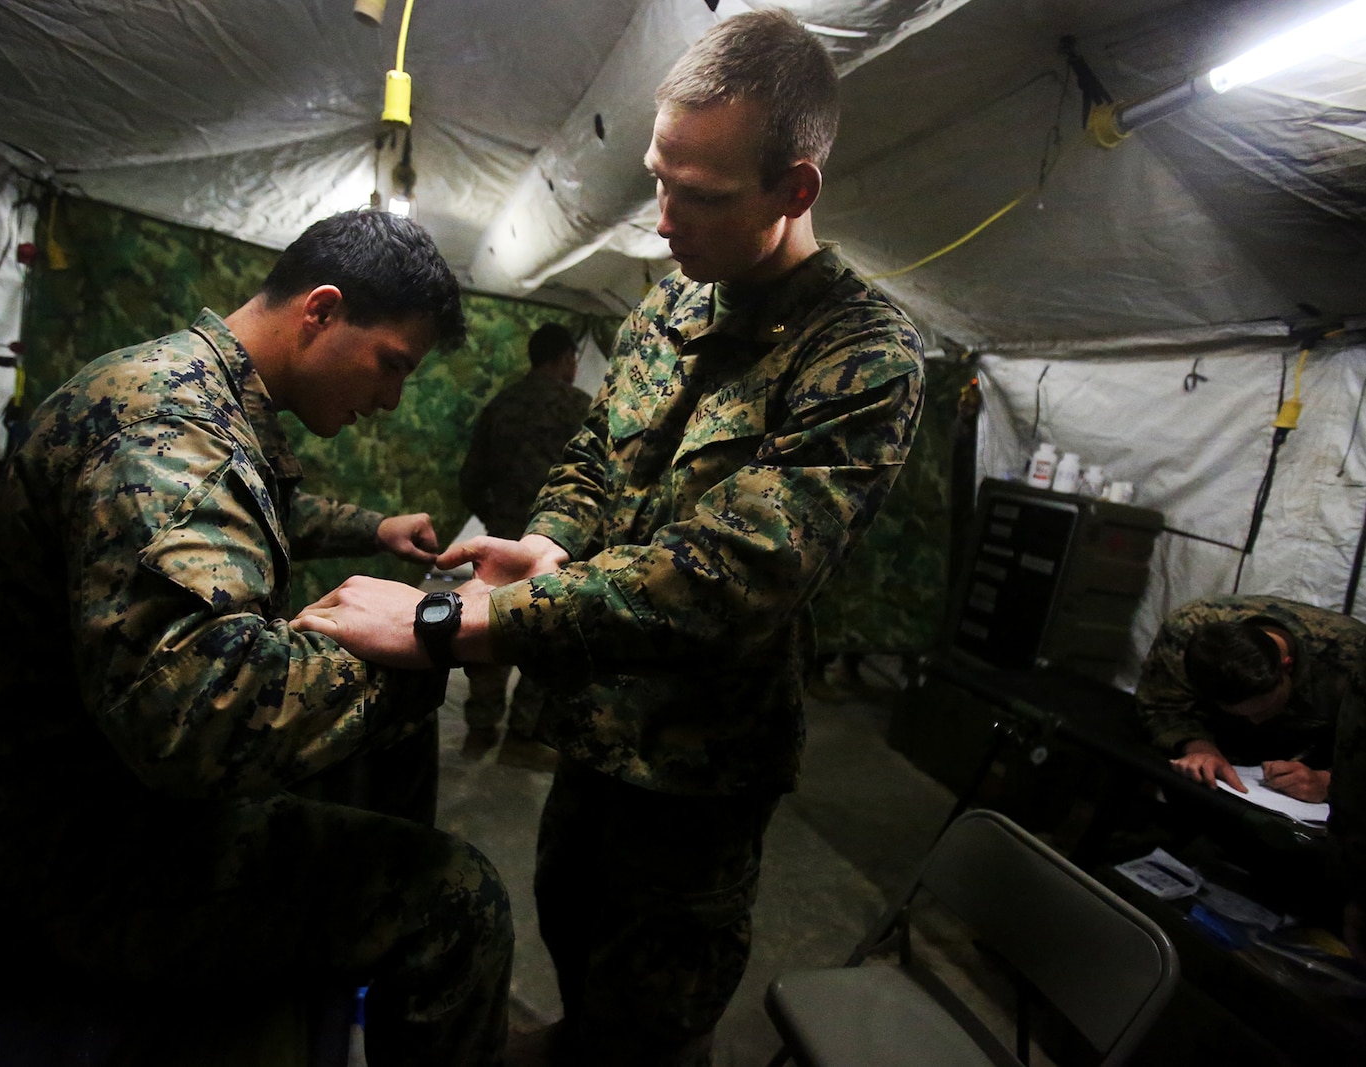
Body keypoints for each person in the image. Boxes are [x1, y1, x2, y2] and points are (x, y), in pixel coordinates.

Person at [292, 11, 926, 1064]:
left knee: (653, 1015)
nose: (661, 221)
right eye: (656, 179)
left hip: (697, 773)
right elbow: (596, 453)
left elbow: (729, 571)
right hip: (589, 726)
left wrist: (457, 620)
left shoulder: (863, 357)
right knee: (575, 939)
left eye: (701, 197)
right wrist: (544, 539)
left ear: (793, 190)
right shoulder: (671, 304)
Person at [0, 209, 512, 1067]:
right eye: (392, 366)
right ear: (321, 311)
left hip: (67, 781)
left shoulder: (196, 389)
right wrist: (446, 640)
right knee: (458, 901)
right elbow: (199, 726)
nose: (389, 401)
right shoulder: (167, 432)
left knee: (384, 746)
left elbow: (255, 505)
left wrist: (375, 528)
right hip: (37, 842)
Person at [457, 322, 590, 749]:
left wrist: (498, 517)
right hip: (559, 549)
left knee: (492, 631)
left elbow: (471, 479)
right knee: (546, 634)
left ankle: (480, 727)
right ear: (565, 358)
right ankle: (524, 734)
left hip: (503, 541)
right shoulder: (582, 408)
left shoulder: (502, 405)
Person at [1135, 594, 1366, 802]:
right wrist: (1201, 749)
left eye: (1266, 709)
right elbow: (1162, 704)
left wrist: (1330, 783)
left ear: (1287, 667)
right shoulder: (1188, 634)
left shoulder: (1352, 655)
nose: (1255, 721)